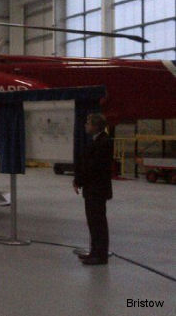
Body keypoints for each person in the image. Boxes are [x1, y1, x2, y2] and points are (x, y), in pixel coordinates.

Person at [73, 113, 113, 265]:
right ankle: (95, 251)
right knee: (93, 222)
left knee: (98, 222)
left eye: (88, 123)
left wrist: (79, 180)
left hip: (97, 189)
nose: (85, 126)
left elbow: (93, 168)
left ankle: (100, 255)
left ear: (95, 126)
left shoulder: (103, 142)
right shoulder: (98, 141)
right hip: (93, 189)